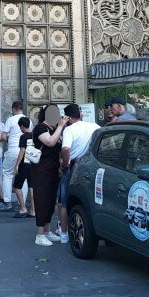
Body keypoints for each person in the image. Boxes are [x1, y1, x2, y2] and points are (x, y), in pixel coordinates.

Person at [57, 103, 100, 242]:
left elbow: (65, 149)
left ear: (68, 117)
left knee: (64, 202)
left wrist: (64, 164)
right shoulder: (95, 126)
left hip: (73, 167)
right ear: (80, 114)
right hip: (91, 167)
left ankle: (64, 234)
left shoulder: (69, 130)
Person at [31, 104, 68, 246]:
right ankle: (39, 235)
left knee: (51, 200)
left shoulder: (53, 129)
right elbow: (50, 142)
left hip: (53, 169)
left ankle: (47, 231)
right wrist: (60, 126)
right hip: (41, 169)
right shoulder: (40, 128)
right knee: (42, 199)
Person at [0, 100, 26, 211]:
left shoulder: (11, 120)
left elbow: (3, 136)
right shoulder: (27, 119)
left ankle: (7, 201)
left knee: (7, 174)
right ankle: (22, 203)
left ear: (14, 109)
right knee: (23, 177)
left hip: (13, 150)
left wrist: (9, 137)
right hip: (25, 151)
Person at [10, 116, 35, 218]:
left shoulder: (23, 137)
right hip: (34, 164)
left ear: (22, 126)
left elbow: (22, 151)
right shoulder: (35, 135)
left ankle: (23, 208)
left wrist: (16, 165)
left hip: (24, 164)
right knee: (32, 187)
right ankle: (33, 210)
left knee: (17, 186)